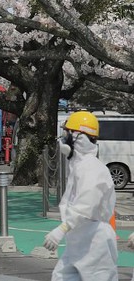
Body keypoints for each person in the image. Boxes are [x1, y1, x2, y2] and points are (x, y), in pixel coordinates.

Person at [42, 111, 117, 281]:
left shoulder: (91, 168)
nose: (63, 138)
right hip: (79, 239)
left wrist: (62, 229)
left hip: (95, 243)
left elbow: (86, 205)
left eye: (67, 133)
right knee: (60, 277)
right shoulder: (79, 166)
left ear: (78, 137)